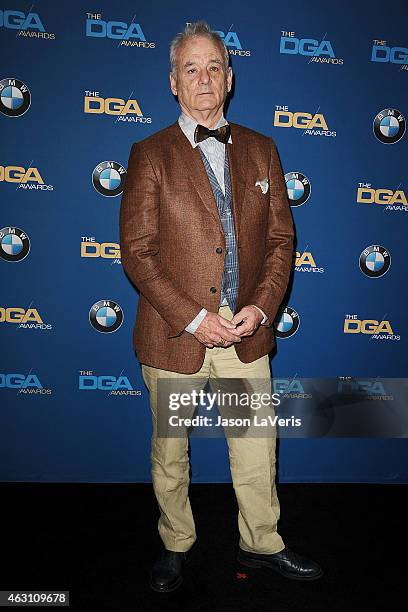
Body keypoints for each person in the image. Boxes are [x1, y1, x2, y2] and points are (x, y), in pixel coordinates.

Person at [119, 21, 323, 592]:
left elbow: (282, 242)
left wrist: (259, 308)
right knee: (170, 454)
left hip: (246, 333)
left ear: (230, 78)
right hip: (174, 336)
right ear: (173, 83)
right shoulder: (148, 153)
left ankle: (262, 544)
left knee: (257, 450)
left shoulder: (263, 149)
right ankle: (176, 544)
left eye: (214, 67)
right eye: (192, 68)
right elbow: (137, 253)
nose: (204, 78)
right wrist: (193, 317)